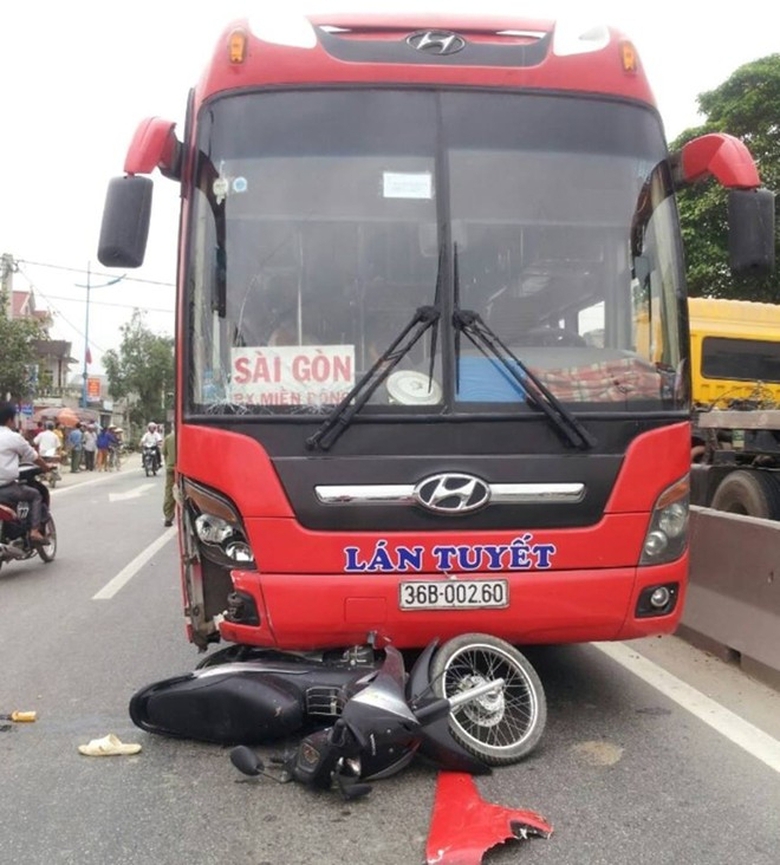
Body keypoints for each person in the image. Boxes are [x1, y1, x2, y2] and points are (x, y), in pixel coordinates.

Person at [0, 402, 52, 544]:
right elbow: (34, 457)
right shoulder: (13, 437)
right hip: (6, 488)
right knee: (35, 495)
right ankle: (34, 530)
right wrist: (46, 468)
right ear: (10, 419)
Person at [162, 428, 176, 527]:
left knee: (169, 493)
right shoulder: (184, 436)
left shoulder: (169, 438)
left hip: (171, 468)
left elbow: (163, 452)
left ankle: (168, 517)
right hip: (184, 470)